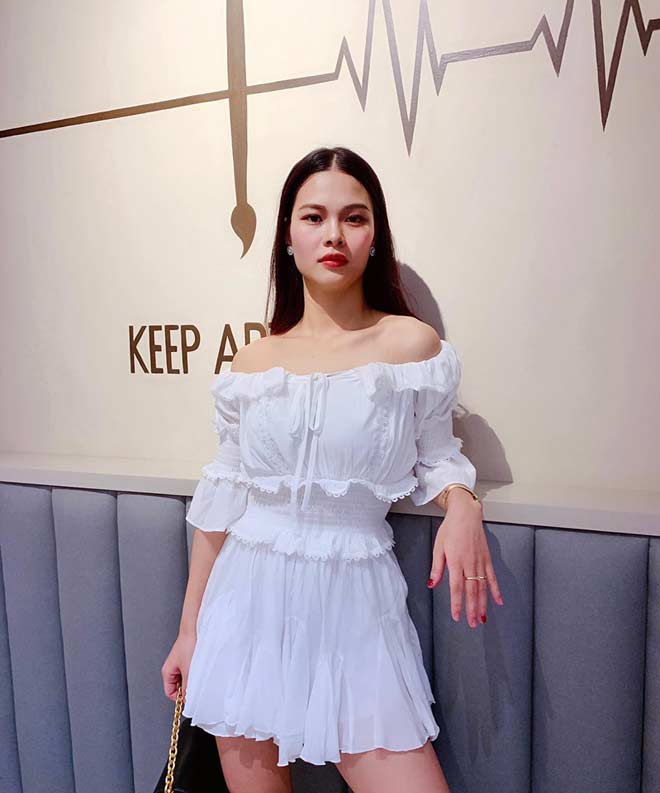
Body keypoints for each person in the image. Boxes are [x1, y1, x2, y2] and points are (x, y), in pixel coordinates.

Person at [161, 146, 503, 793]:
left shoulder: (411, 345)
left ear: (375, 235)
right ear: (288, 237)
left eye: (354, 217)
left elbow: (440, 457)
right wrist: (188, 632)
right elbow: (223, 500)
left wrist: (463, 502)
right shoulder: (252, 362)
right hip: (245, 606)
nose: (334, 235)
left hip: (355, 607)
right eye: (314, 217)